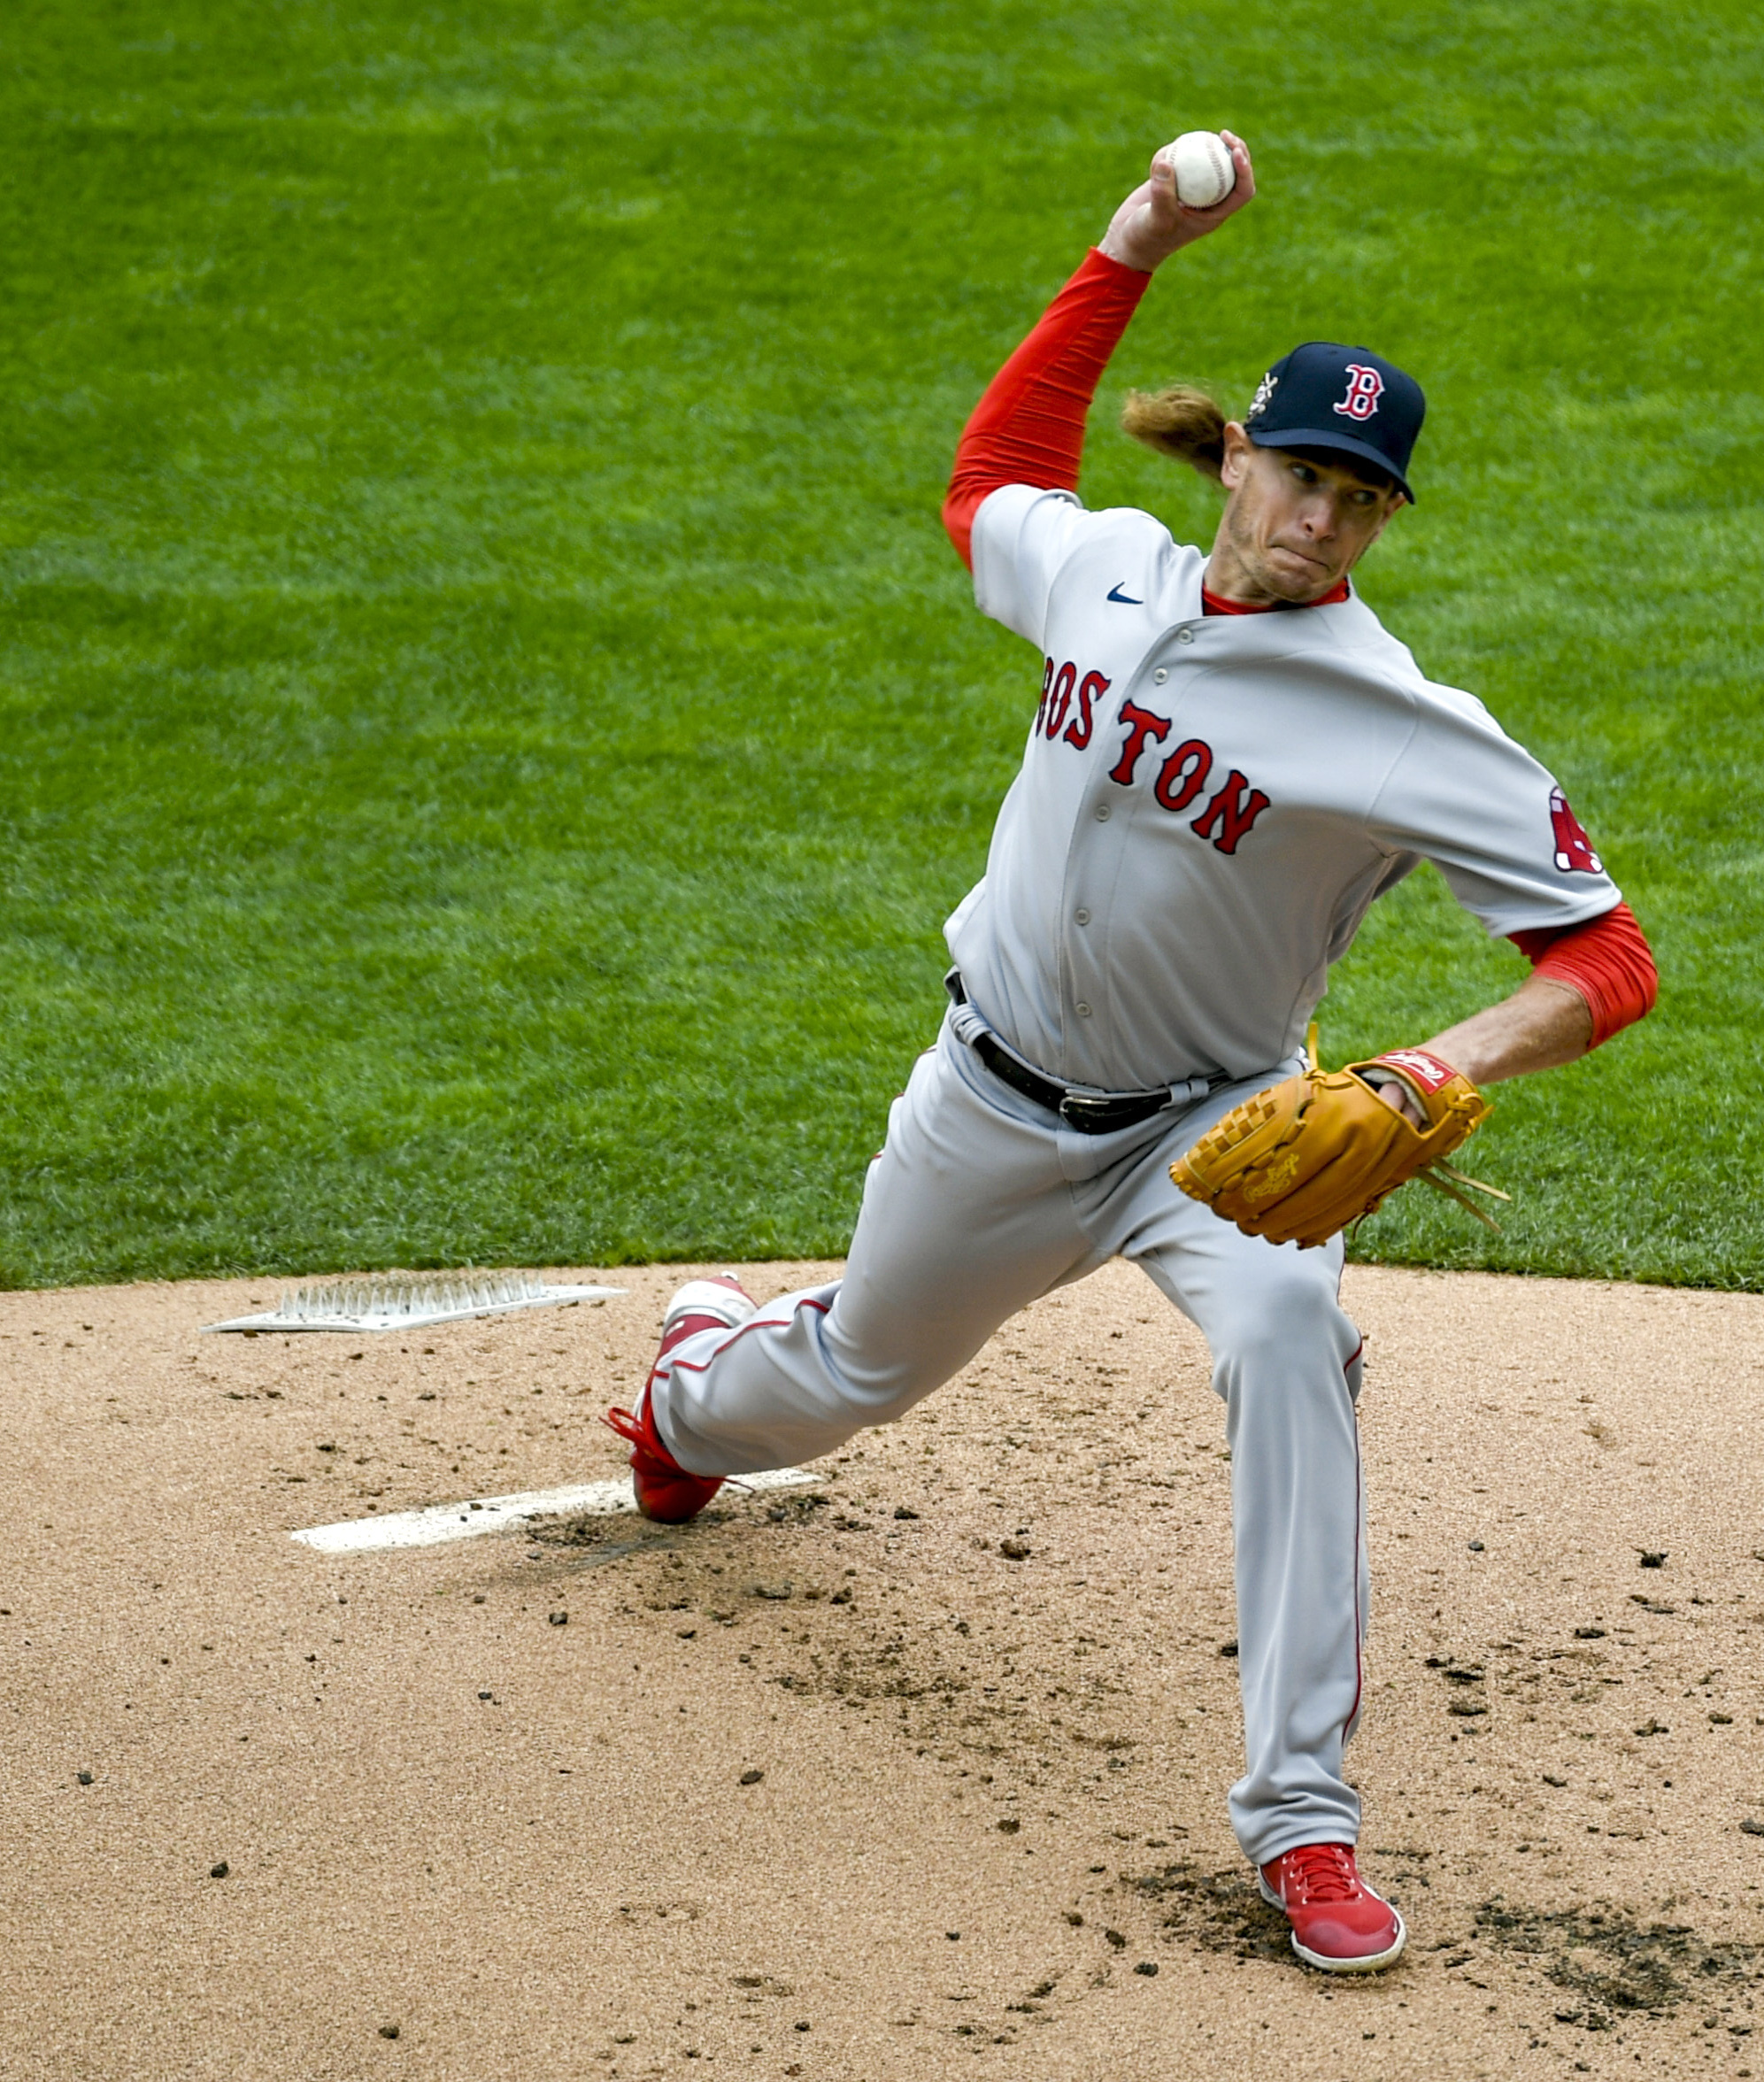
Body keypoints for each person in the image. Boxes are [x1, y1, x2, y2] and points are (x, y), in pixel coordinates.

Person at [604, 134, 1657, 1973]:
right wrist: (1128, 247)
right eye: (1302, 473)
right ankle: (696, 1394)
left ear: (1386, 522)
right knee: (849, 1376)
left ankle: (1303, 1825)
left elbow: (1611, 954)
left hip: (1216, 1129)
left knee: (1291, 1343)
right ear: (1237, 457)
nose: (1322, 518)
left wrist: (1435, 1065)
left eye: (1362, 497)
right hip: (994, 1103)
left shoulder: (1408, 726)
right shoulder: (1105, 572)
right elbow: (987, 481)